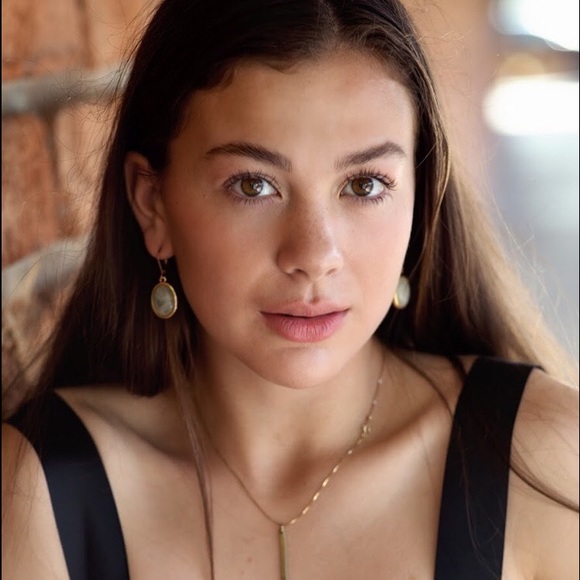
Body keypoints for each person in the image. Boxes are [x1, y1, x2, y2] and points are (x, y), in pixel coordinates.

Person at [2, 0, 578, 578]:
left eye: (364, 184)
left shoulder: (545, 463)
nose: (315, 256)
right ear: (153, 205)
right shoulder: (40, 489)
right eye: (253, 185)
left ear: (419, 198)